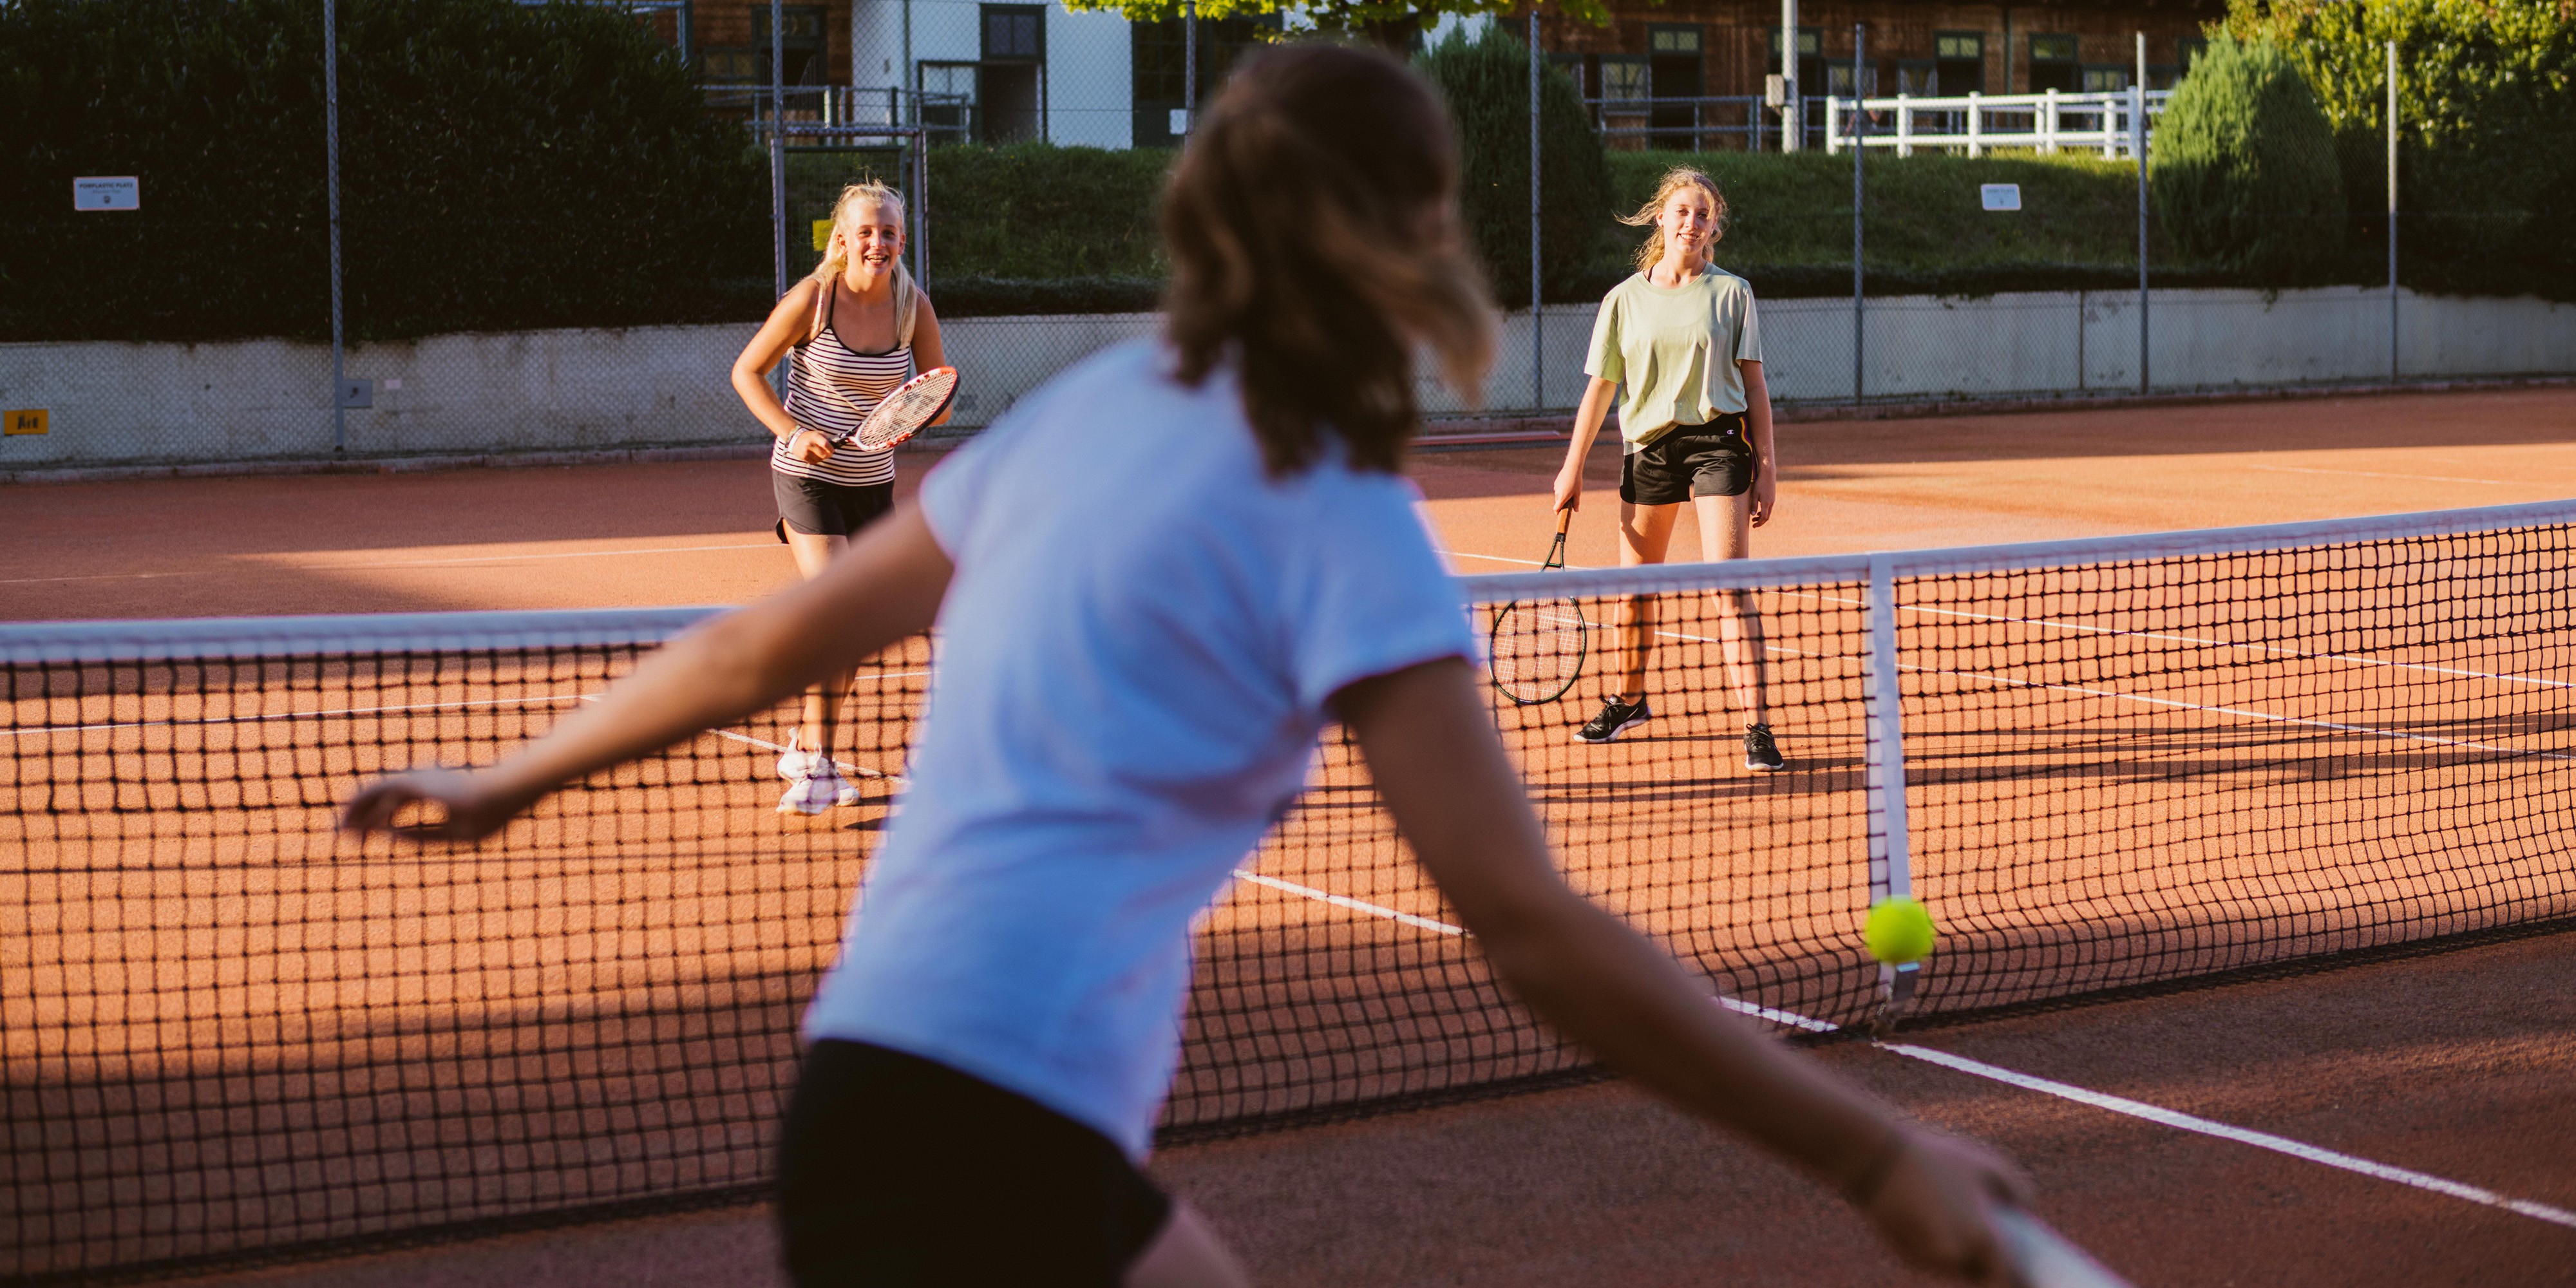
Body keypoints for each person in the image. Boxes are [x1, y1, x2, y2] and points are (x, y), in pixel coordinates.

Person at [344, 46, 2029, 1288]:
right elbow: (1530, 928)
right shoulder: (1343, 524)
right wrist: (1875, 1156)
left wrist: (509, 782)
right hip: (985, 1149)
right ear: (1414, 231)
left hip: (875, 1106)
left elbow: (756, 648)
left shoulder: (1092, 413)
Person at [728, 179, 948, 815]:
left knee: (861, 628)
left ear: (901, 241)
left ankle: (803, 744)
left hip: (871, 483)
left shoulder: (913, 307)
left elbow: (936, 391)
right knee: (839, 611)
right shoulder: (813, 300)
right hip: (805, 477)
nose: (877, 242)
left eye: (888, 232)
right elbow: (747, 370)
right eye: (866, 231)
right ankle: (819, 767)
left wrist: (924, 411)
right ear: (843, 240)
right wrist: (794, 431)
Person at [1552, 168, 1785, 770]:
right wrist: (1571, 468)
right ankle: (1630, 700)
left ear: (1715, 228)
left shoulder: (1733, 293)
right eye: (1682, 212)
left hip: (1716, 441)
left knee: (1729, 588)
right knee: (1633, 592)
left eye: (1703, 215)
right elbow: (1601, 391)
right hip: (1648, 448)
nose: (1691, 223)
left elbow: (1755, 388)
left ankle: (1757, 726)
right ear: (1661, 218)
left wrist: (1767, 466)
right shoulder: (1623, 300)